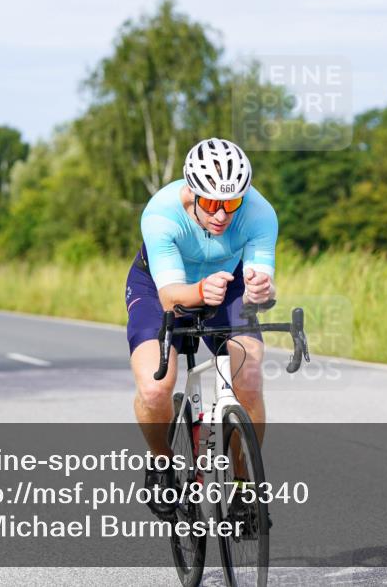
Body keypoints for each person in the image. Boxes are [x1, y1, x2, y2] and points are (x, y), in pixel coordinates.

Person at [126, 138, 277, 516]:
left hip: (228, 284)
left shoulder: (260, 213)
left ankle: (244, 484)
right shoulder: (160, 215)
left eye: (232, 203)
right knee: (155, 386)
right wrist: (197, 291)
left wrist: (262, 288)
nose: (223, 215)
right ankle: (162, 462)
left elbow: (260, 285)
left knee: (251, 372)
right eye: (211, 203)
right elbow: (170, 298)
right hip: (163, 287)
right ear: (190, 191)